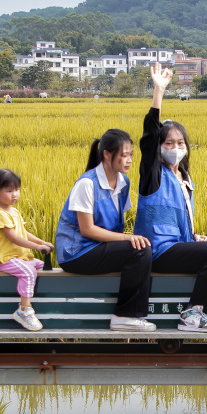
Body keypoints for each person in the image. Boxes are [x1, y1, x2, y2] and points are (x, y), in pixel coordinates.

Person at [133, 63, 207, 333]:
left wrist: (192, 236)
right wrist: (158, 92)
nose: (175, 148)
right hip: (158, 249)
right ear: (160, 148)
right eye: (168, 144)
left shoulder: (184, 178)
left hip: (176, 244)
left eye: (180, 143)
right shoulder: (154, 174)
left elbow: (178, 217)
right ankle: (192, 314)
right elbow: (150, 136)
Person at [55, 129, 155, 332]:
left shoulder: (123, 182)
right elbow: (87, 230)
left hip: (98, 247)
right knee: (139, 250)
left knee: (141, 245)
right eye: (124, 155)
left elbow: (117, 224)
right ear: (107, 155)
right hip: (76, 253)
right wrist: (128, 238)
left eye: (131, 155)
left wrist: (131, 238)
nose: (128, 160)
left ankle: (127, 313)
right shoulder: (87, 183)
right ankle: (125, 316)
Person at [0, 168, 51, 331]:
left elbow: (24, 233)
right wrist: (37, 247)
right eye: (9, 190)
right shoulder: (1, 214)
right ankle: (24, 310)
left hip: (19, 257)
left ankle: (41, 303)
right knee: (29, 272)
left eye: (16, 189)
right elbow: (14, 238)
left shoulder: (13, 211)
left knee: (42, 266)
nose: (14, 194)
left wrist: (42, 241)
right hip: (6, 258)